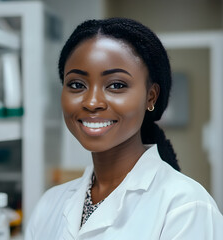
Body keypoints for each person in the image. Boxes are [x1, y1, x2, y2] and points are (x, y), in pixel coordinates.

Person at [25, 18, 223, 239]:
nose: (92, 102)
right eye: (77, 85)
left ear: (151, 96)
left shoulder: (185, 207)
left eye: (116, 85)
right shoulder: (49, 204)